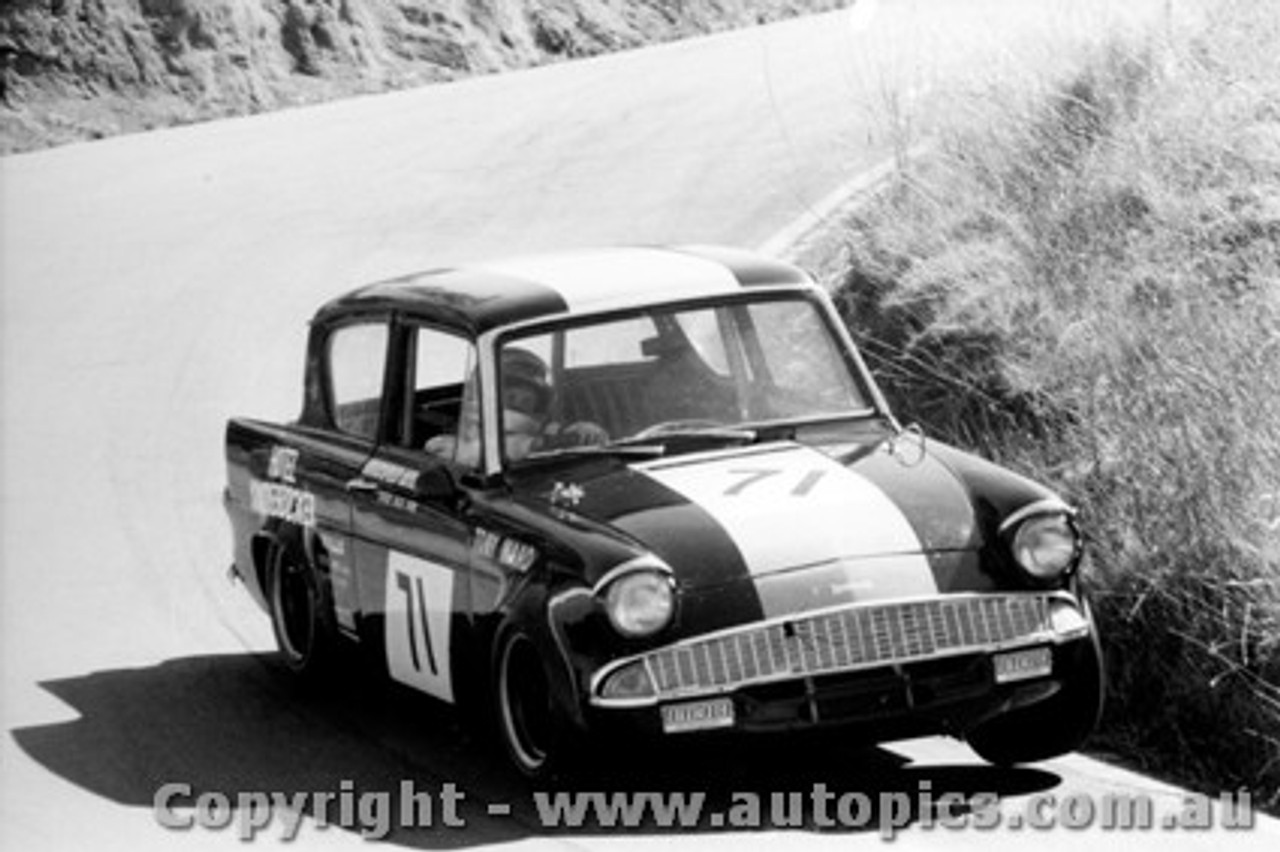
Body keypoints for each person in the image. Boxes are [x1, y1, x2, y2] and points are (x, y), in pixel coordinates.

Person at [426, 347, 607, 466]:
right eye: (510, 393)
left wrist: (583, 432)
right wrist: (538, 445)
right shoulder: (453, 446)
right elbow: (512, 448)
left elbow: (552, 434)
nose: (519, 400)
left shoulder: (544, 432)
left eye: (528, 397)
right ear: (488, 393)